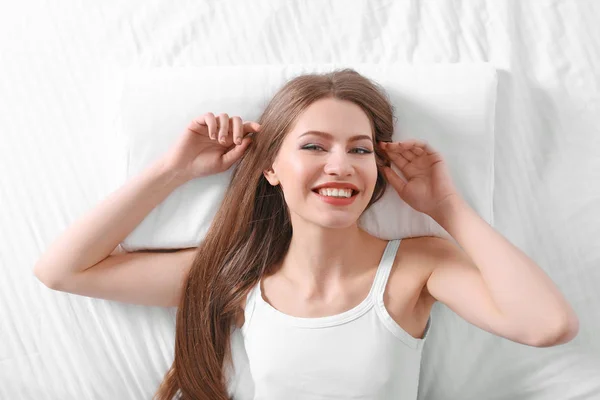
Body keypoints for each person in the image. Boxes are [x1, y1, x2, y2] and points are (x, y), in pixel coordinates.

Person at [34, 69, 579, 400]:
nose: (340, 164)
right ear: (271, 167)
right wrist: (172, 171)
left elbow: (548, 325)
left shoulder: (417, 265)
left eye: (360, 149)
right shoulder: (237, 275)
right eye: (315, 146)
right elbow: (61, 271)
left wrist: (448, 208)